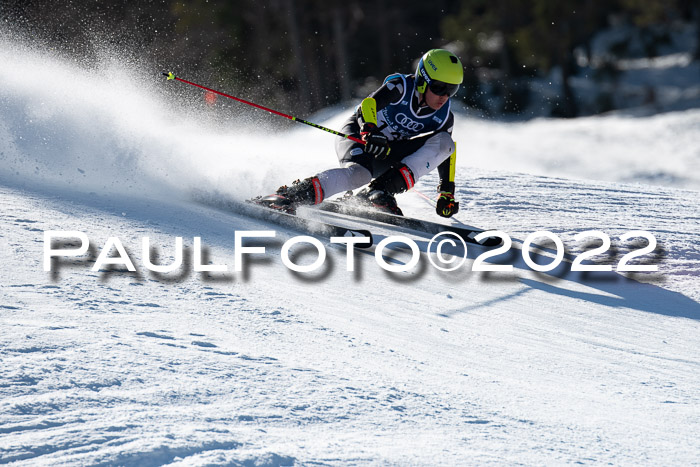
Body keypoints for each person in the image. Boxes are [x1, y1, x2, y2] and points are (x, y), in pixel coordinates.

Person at [260, 48, 463, 218]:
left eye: (451, 90)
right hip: (358, 136)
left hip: (387, 151)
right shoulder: (401, 87)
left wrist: (447, 191)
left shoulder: (444, 116)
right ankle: (292, 195)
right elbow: (369, 104)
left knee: (446, 142)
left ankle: (379, 191)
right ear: (422, 80)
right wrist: (370, 130)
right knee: (358, 175)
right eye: (439, 87)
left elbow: (445, 152)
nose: (444, 96)